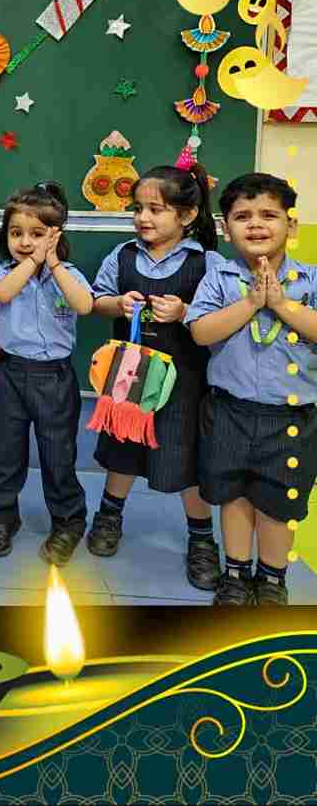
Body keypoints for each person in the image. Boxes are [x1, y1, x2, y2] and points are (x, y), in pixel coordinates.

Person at [86, 164, 223, 591]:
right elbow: (95, 301)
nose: (143, 218)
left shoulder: (207, 262)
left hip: (184, 383)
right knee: (122, 448)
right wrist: (117, 305)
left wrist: (185, 312)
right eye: (137, 208)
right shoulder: (122, 255)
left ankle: (202, 539)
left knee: (185, 456)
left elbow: (219, 318)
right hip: (127, 379)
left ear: (187, 215)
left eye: (156, 209)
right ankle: (109, 516)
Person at [188, 172, 317, 606]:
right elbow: (201, 332)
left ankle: (273, 579)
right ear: (226, 229)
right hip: (230, 411)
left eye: (269, 215)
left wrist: (280, 304)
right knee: (233, 494)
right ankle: (235, 574)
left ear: (291, 225)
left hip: (292, 417)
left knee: (280, 502)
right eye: (243, 216)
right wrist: (250, 303)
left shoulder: (311, 280)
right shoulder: (219, 279)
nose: (256, 224)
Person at [0, 181, 93, 563]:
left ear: (55, 235)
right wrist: (33, 260)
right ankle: (1, 517)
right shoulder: (1, 273)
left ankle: (68, 522)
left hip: (54, 377)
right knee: (3, 452)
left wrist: (54, 263)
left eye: (37, 233)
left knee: (58, 455)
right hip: (10, 374)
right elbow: (3, 295)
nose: (26, 242)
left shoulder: (68, 274)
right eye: (16, 233)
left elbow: (84, 305)